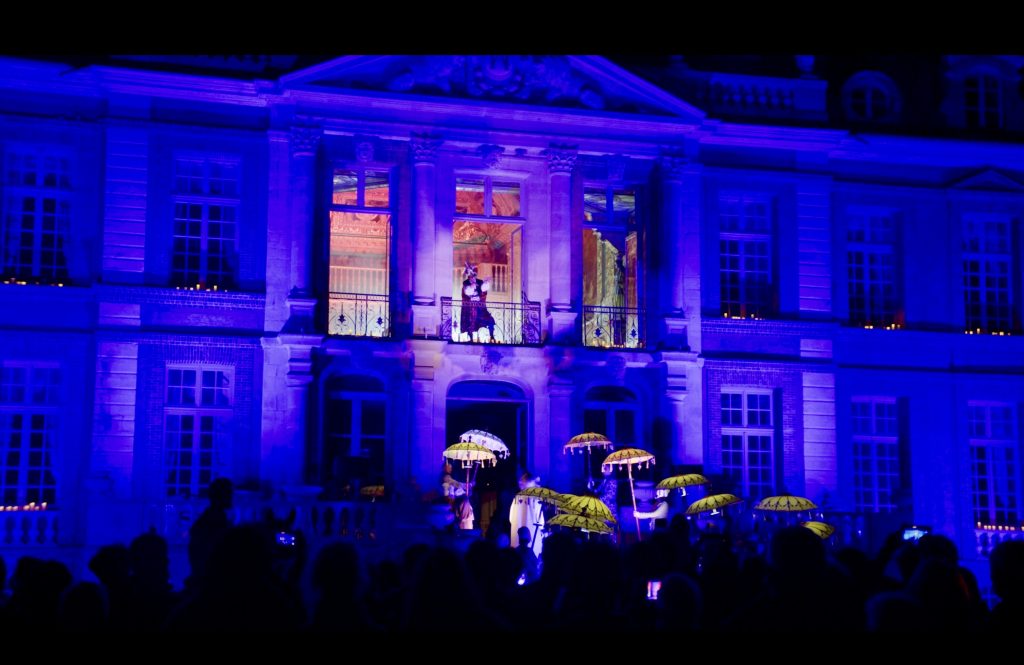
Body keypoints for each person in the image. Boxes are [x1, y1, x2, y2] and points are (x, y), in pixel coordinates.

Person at [509, 472, 544, 557]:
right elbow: (540, 520)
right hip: (532, 533)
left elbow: (511, 518)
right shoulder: (535, 498)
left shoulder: (516, 498)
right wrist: (542, 528)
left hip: (517, 535)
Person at [460, 262, 496, 342]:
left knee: (489, 320)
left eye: (473, 275)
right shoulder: (466, 283)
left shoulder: (479, 282)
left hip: (480, 307)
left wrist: (486, 283)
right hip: (470, 308)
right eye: (470, 276)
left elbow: (483, 290)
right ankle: (471, 338)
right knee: (470, 322)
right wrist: (471, 287)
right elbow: (466, 293)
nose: (472, 278)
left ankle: (492, 335)